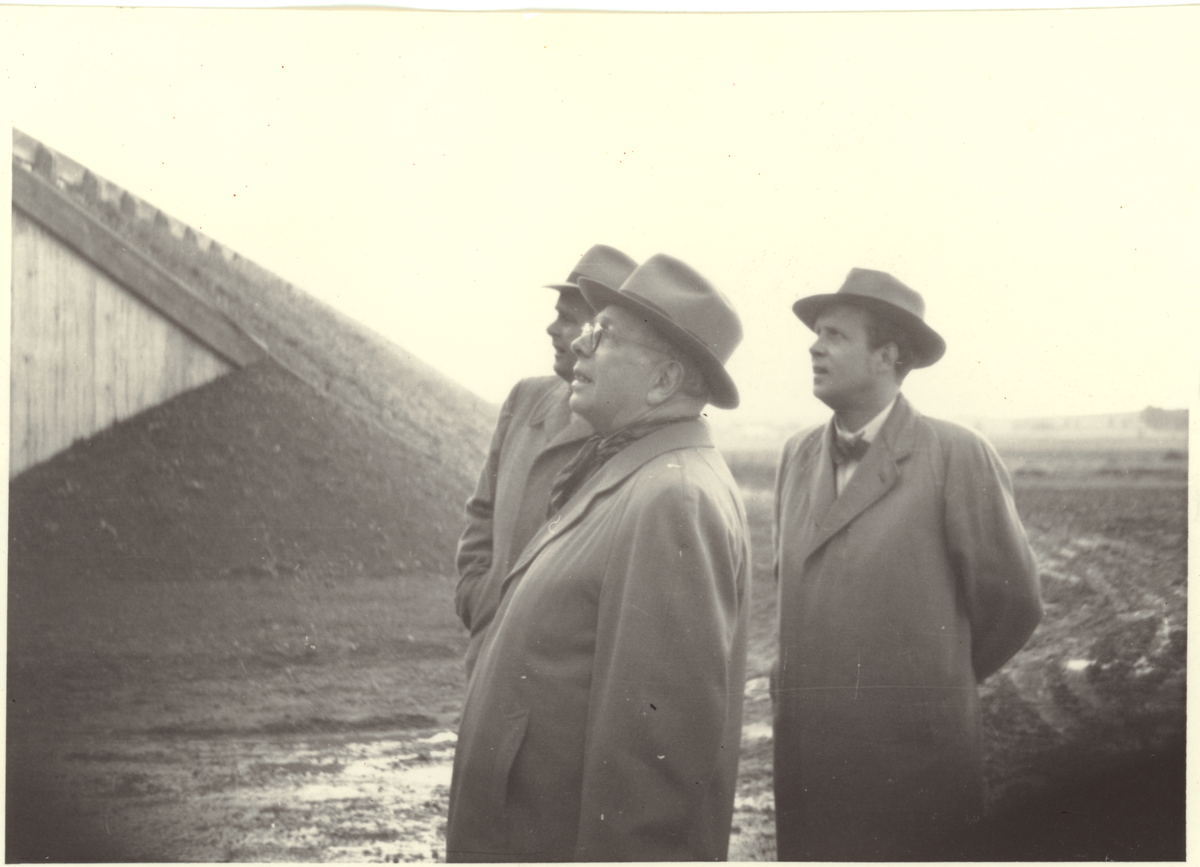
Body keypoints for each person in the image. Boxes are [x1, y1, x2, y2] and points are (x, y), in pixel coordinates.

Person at [446, 254, 751, 862]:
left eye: (604, 334)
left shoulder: (674, 498)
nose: (580, 344)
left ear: (663, 381)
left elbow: (651, 772)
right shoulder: (632, 470)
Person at [771, 268, 1043, 860]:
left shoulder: (957, 454)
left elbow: (1013, 606)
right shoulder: (795, 456)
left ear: (887, 357)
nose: (814, 347)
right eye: (816, 333)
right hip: (808, 764)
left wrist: (927, 686)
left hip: (913, 766)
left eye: (835, 335)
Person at [454, 245, 637, 676]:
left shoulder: (625, 431)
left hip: (556, 675)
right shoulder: (525, 399)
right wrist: (477, 596)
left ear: (605, 336)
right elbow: (482, 514)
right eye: (557, 315)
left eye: (569, 319)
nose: (552, 329)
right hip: (488, 654)